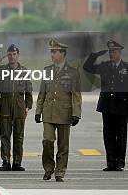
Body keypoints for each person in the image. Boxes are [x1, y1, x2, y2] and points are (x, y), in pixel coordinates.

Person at [35, 39, 82, 182]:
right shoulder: (47, 70)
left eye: (54, 52)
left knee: (63, 145)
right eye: (51, 52)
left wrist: (76, 114)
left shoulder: (73, 73)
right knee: (47, 140)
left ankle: (60, 172)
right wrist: (38, 111)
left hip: (64, 113)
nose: (52, 54)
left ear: (63, 54)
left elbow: (76, 95)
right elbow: (42, 92)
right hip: (48, 112)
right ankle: (48, 168)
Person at [0, 44, 33, 171]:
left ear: (18, 55)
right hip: (5, 104)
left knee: (19, 135)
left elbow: (29, 91)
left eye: (14, 54)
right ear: (7, 55)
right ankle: (5, 161)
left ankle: (17, 162)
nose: (12, 57)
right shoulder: (0, 69)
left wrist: (28, 106)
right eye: (10, 54)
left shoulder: (24, 71)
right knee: (5, 134)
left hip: (19, 104)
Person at [83, 40, 128, 171]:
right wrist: (94, 56)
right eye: (110, 52)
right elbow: (87, 67)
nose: (111, 54)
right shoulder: (104, 66)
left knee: (121, 135)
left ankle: (120, 161)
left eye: (114, 52)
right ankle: (110, 162)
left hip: (122, 107)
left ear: (119, 53)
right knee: (108, 135)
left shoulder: (126, 68)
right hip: (107, 106)